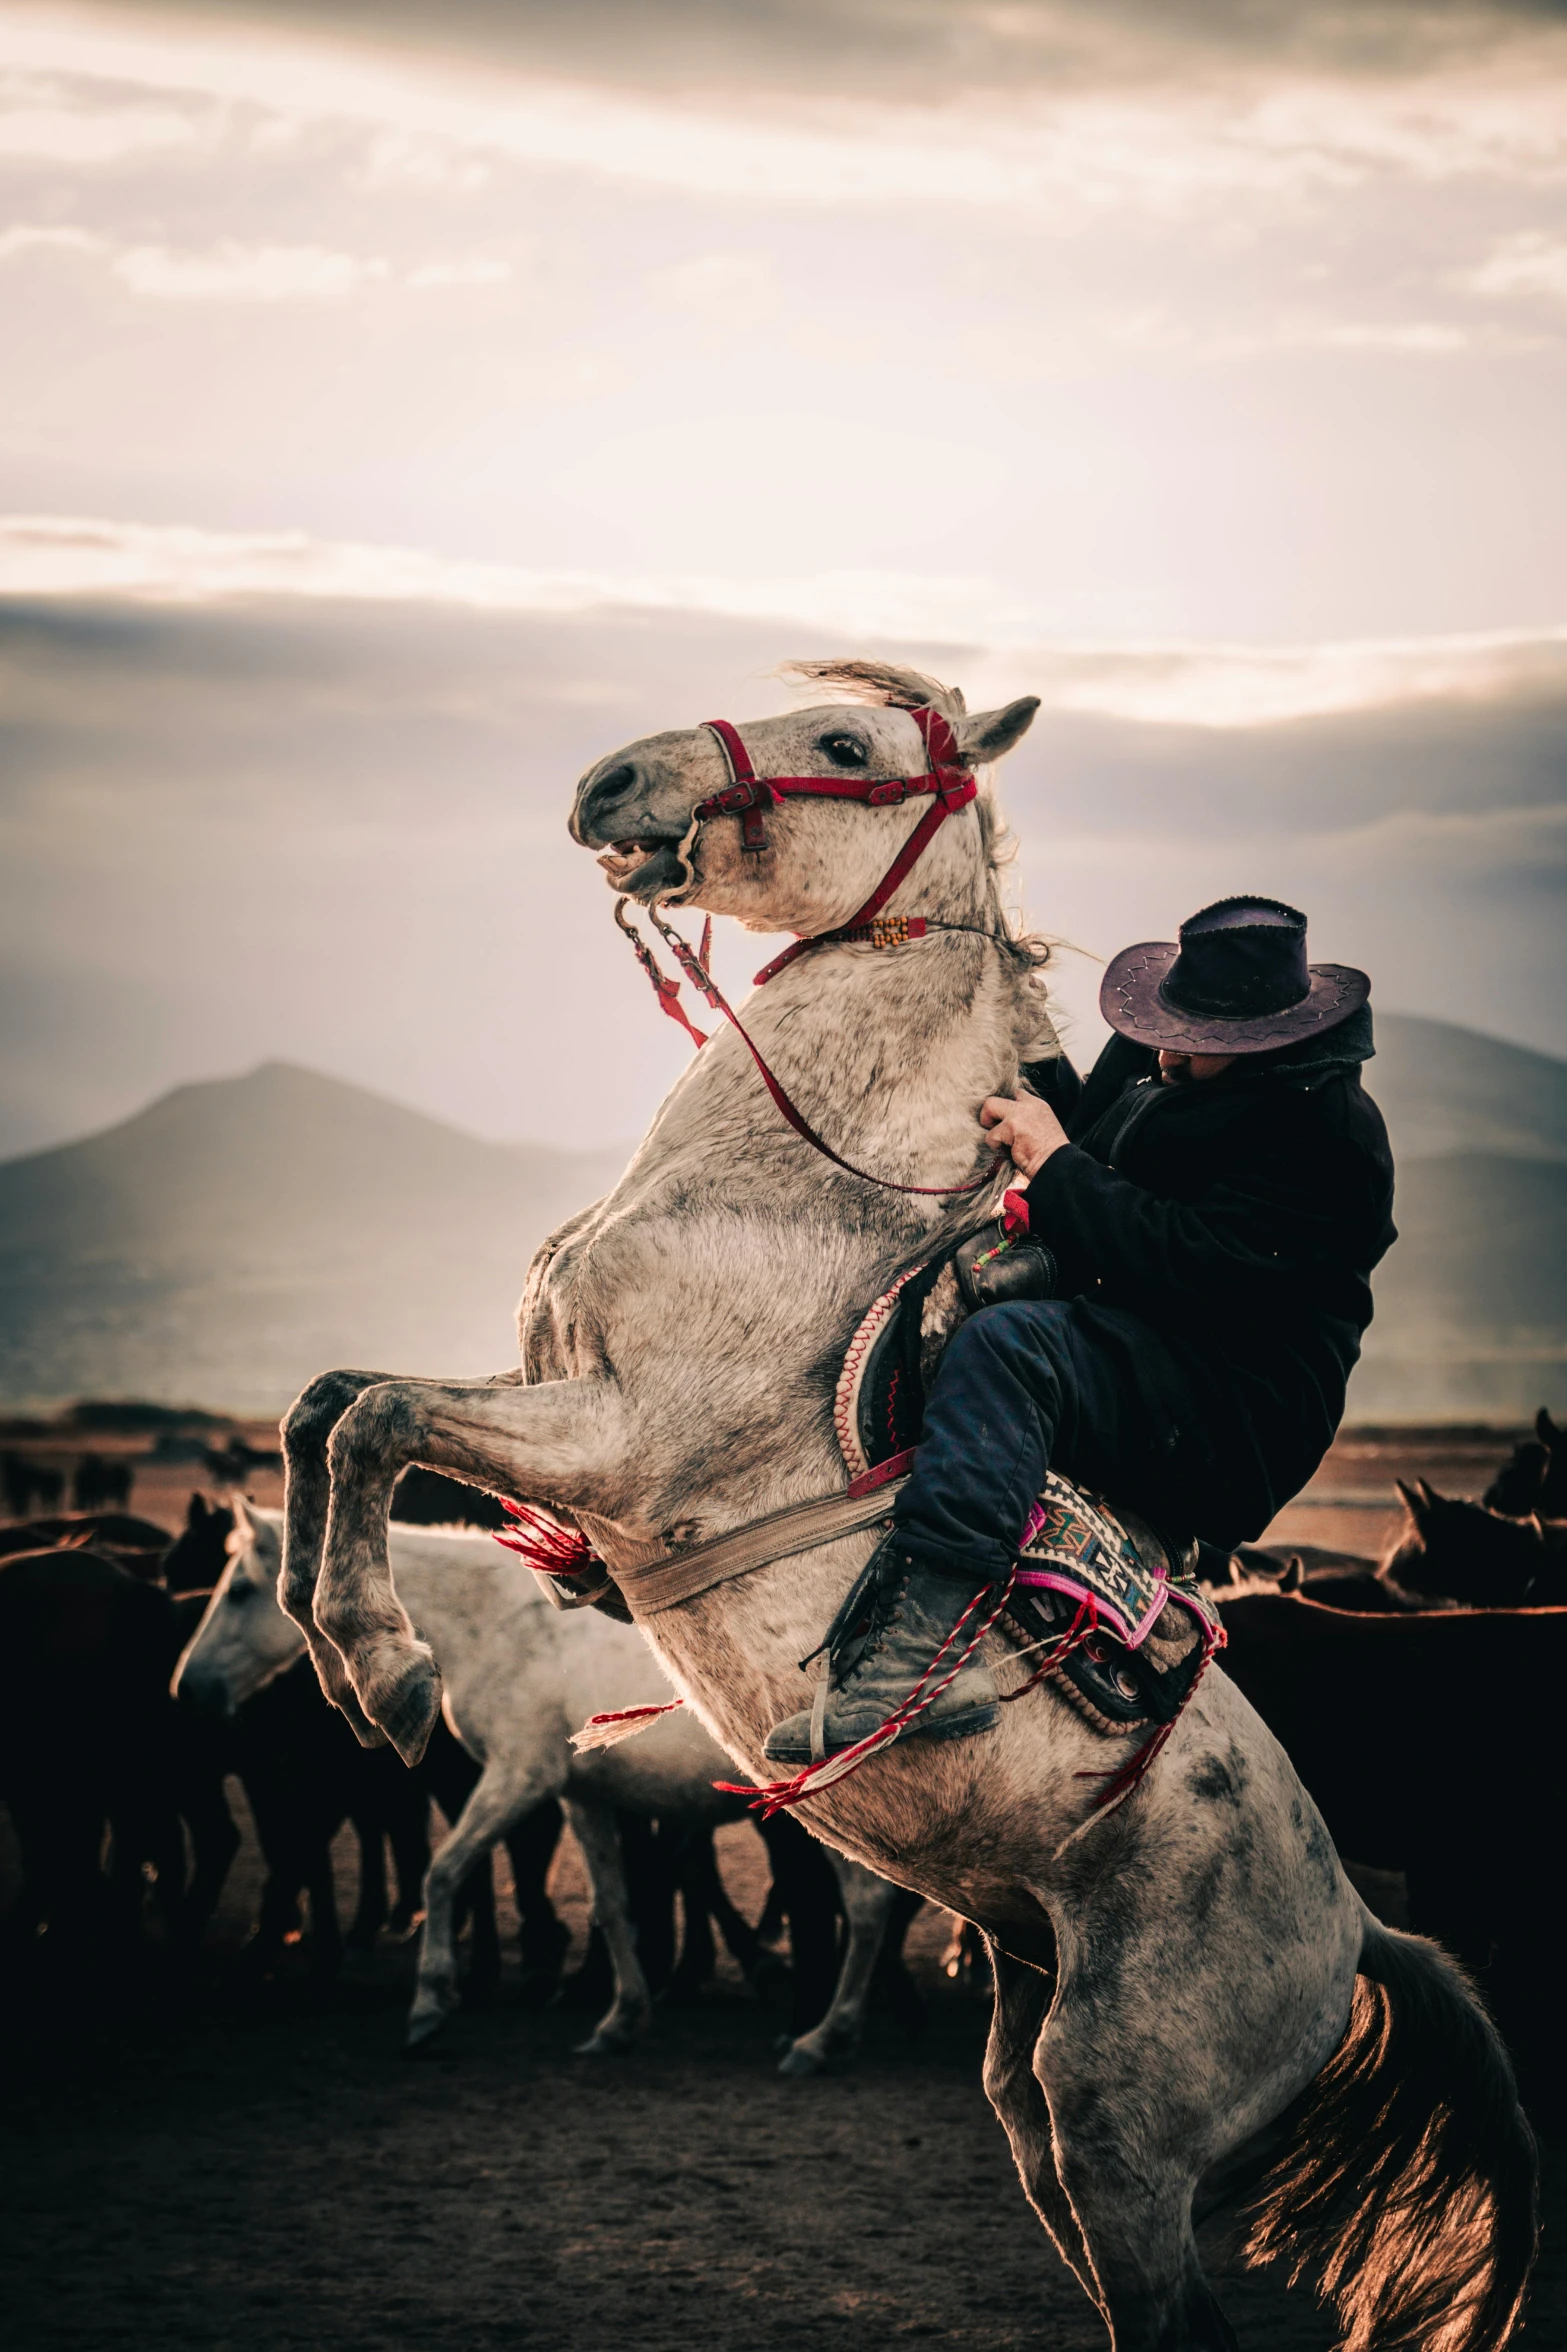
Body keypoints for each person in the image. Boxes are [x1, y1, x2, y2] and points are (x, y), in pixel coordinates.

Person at [765, 896, 1396, 1767]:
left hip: (1234, 1401)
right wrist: (1009, 1018)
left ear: (1267, 1043)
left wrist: (1055, 1163)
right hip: (1154, 1343)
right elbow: (1083, 1123)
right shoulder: (1172, 1062)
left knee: (1008, 1346)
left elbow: (1195, 1264)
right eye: (1170, 1027)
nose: (1166, 1050)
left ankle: (925, 1665)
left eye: (1195, 1041)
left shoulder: (1329, 1134)